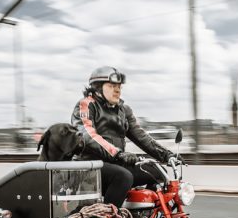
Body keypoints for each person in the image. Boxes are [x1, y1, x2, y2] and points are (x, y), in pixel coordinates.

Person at [71, 66, 180, 208]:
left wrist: (167, 155)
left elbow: (141, 136)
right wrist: (118, 153)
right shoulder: (86, 104)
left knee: (157, 172)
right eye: (112, 86)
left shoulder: (124, 110)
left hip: (115, 163)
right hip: (89, 166)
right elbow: (87, 135)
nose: (118, 90)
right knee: (123, 177)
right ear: (97, 88)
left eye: (119, 87)